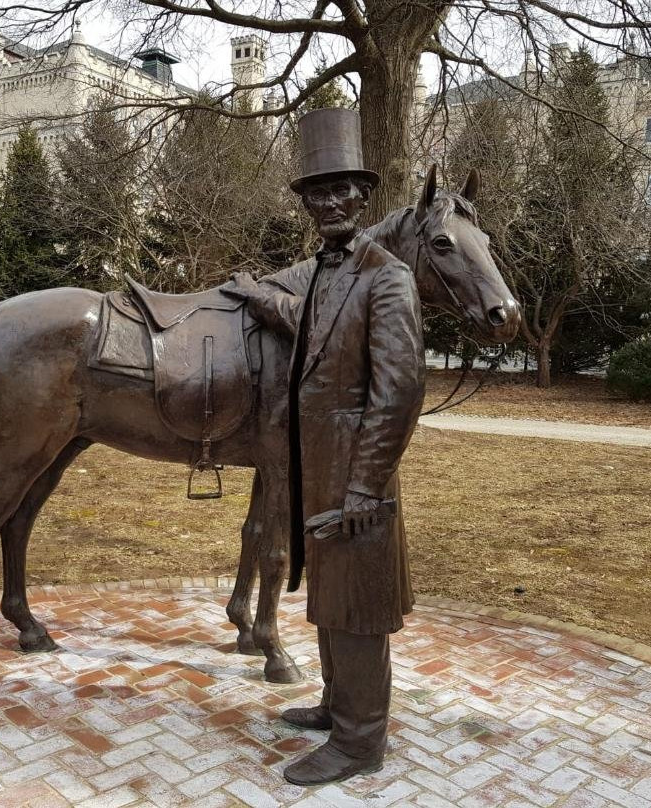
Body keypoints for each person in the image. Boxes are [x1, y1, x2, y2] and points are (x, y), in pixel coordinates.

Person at [224, 108, 425, 786]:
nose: (331, 201)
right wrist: (257, 298)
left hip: (356, 477)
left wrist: (367, 486)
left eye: (343, 189)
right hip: (321, 467)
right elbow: (310, 329)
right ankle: (341, 705)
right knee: (332, 596)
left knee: (360, 605)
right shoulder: (327, 274)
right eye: (318, 191)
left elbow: (398, 393)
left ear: (363, 197)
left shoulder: (387, 276)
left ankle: (360, 742)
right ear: (307, 203)